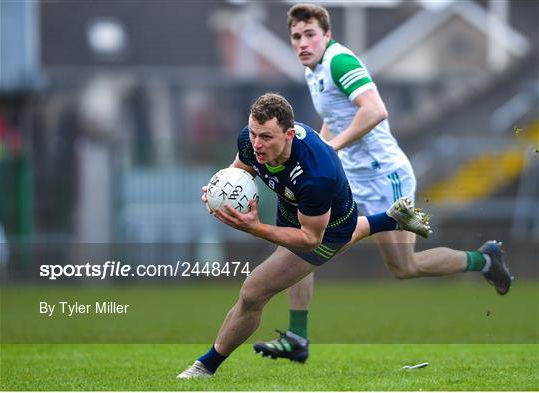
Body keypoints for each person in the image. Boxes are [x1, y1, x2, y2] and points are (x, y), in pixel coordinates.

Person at [252, 3, 513, 363]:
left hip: (386, 176)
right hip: (354, 178)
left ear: (326, 35)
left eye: (310, 34)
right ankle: (298, 336)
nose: (302, 42)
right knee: (313, 248)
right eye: (296, 36)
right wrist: (320, 149)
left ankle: (483, 260)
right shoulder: (314, 72)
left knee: (389, 264)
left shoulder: (339, 62)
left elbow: (375, 110)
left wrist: (327, 151)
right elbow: (334, 118)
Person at [177, 92, 431, 378]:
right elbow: (240, 170)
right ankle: (390, 218)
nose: (257, 144)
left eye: (267, 137)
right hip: (291, 207)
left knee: (253, 291)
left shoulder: (315, 175)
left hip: (329, 230)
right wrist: (221, 190)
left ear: (289, 135)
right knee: (268, 279)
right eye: (253, 133)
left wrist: (255, 228)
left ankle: (205, 367)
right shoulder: (250, 142)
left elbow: (311, 239)